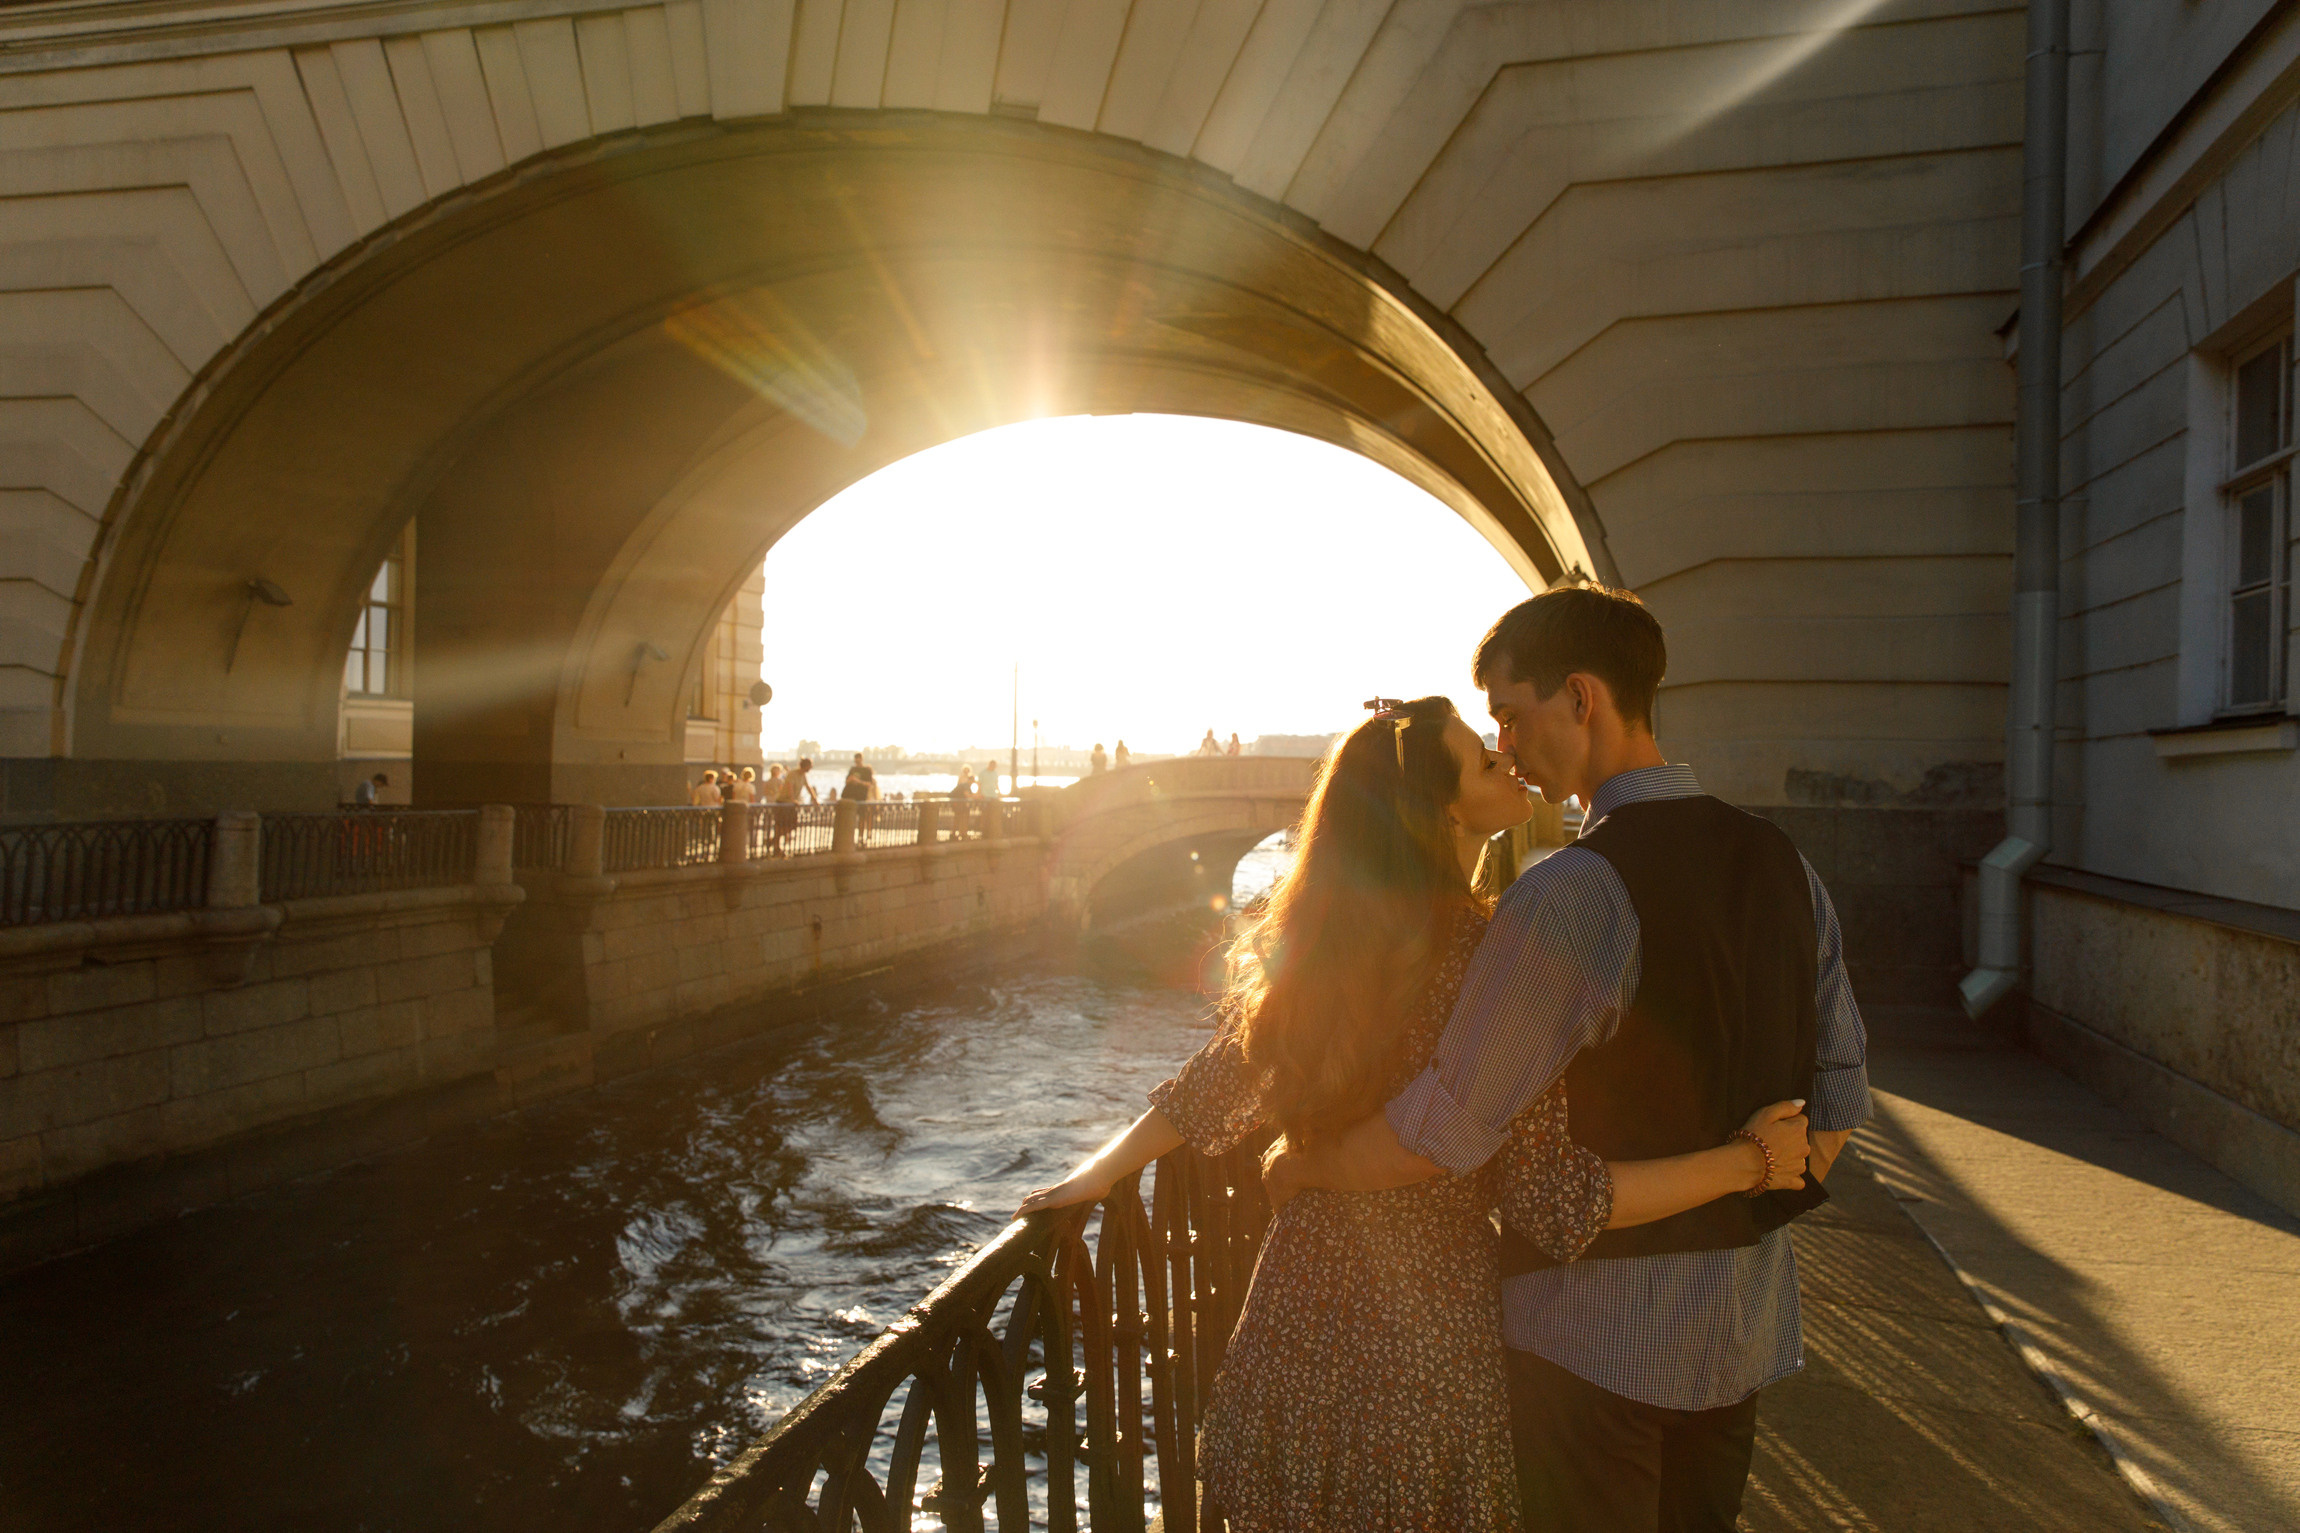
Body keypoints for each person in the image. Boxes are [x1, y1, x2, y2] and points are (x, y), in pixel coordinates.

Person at [1016, 697, 1810, 1533]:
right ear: (1441, 810)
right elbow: (1552, 1196)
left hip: (1299, 1305)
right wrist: (1749, 1160)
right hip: (1428, 1333)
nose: (1508, 760)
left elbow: (1218, 1081)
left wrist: (1096, 1175)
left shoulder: (1332, 940)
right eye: (1482, 760)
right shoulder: (1497, 956)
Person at [1266, 587, 1869, 1533]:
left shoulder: (1572, 893)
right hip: (1743, 1336)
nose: (1506, 744)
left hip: (1588, 1350)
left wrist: (1307, 1163)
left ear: (1580, 699)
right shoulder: (1785, 863)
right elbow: (1836, 1102)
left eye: (1511, 713)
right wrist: (1756, 1188)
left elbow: (1443, 1132)